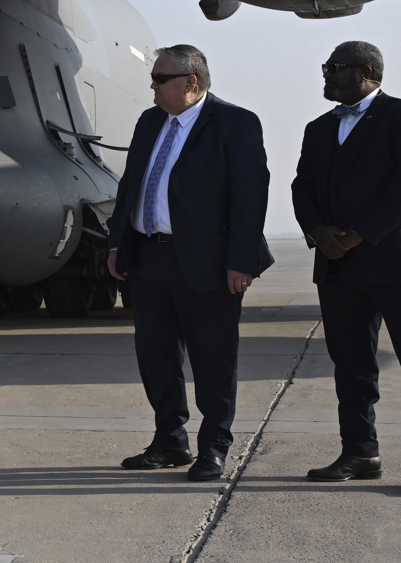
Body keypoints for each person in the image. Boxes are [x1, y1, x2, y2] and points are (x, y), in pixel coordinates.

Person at [292, 41, 401, 496]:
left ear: (365, 71)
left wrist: (360, 232)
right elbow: (302, 185)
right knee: (351, 365)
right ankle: (360, 452)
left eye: (334, 68)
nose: (325, 74)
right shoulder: (318, 128)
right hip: (338, 264)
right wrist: (319, 232)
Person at [106, 45, 273, 482]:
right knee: (155, 355)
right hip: (149, 256)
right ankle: (169, 442)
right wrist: (116, 245)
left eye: (160, 79)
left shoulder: (235, 123)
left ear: (190, 83)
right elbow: (130, 187)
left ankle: (214, 447)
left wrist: (242, 261)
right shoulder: (149, 122)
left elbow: (250, 197)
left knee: (212, 358)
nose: (153, 86)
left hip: (210, 263)